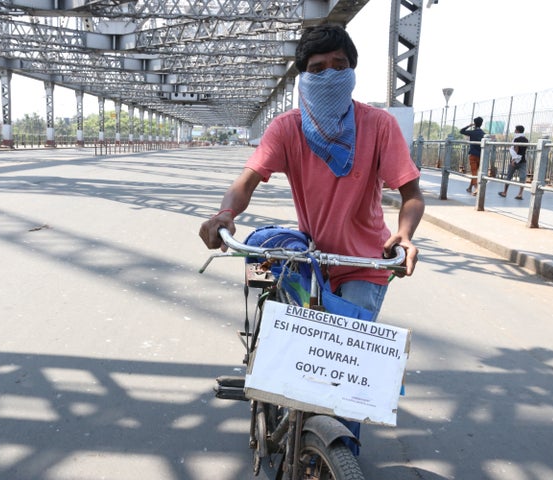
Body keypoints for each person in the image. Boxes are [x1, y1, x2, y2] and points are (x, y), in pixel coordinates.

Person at [199, 24, 424, 318]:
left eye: (339, 66)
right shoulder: (287, 128)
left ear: (352, 71)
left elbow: (412, 194)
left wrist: (405, 235)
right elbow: (247, 180)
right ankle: (265, 337)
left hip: (365, 262)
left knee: (346, 345)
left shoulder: (380, 125)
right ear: (303, 77)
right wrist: (225, 214)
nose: (329, 76)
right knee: (278, 316)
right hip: (309, 255)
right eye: (317, 69)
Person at [498, 125, 529, 200]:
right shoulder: (526, 140)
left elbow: (516, 149)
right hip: (523, 160)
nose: (514, 131)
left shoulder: (516, 139)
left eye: (515, 130)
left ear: (517, 131)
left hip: (514, 161)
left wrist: (514, 160)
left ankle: (505, 192)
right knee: (522, 178)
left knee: (509, 176)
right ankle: (520, 194)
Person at [459, 117, 486, 196]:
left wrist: (469, 125)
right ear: (481, 124)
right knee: (476, 172)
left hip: (473, 155)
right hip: (481, 155)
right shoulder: (483, 133)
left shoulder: (472, 132)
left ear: (474, 123)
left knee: (474, 172)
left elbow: (461, 131)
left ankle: (477, 188)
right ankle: (470, 187)